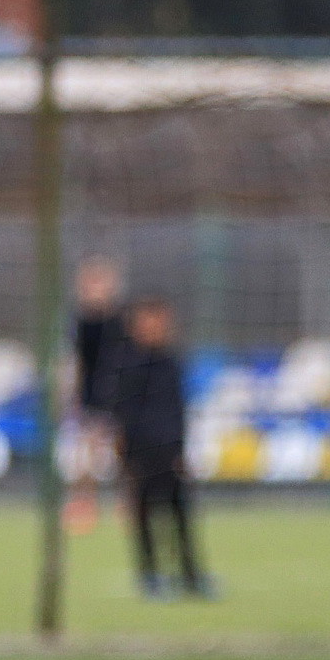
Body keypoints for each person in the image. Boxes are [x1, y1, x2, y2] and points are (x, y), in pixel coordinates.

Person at [106, 297, 213, 600]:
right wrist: (124, 455)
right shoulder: (126, 363)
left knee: (180, 513)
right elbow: (120, 412)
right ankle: (150, 575)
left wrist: (182, 448)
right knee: (143, 515)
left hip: (170, 451)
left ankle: (190, 574)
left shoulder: (171, 362)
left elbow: (178, 410)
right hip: (141, 453)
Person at [68, 257, 130, 535]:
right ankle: (83, 504)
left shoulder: (120, 321)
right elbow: (77, 361)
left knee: (123, 451)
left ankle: (127, 503)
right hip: (91, 393)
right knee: (87, 453)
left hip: (119, 391)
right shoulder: (81, 323)